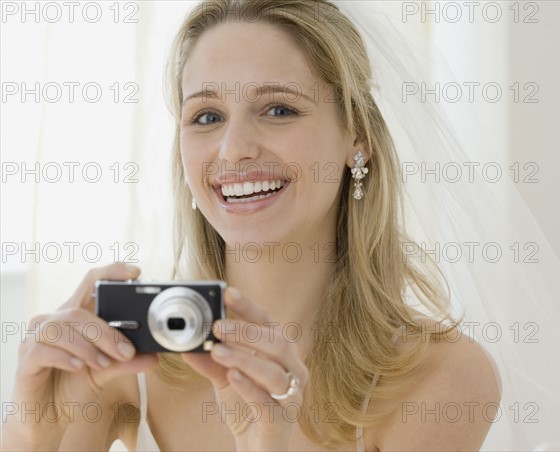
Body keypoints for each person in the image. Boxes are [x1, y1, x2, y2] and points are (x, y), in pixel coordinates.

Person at [3, 1, 505, 450]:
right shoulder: (123, 370)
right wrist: (29, 434)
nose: (234, 148)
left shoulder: (441, 380)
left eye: (278, 109)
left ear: (357, 137)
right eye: (206, 117)